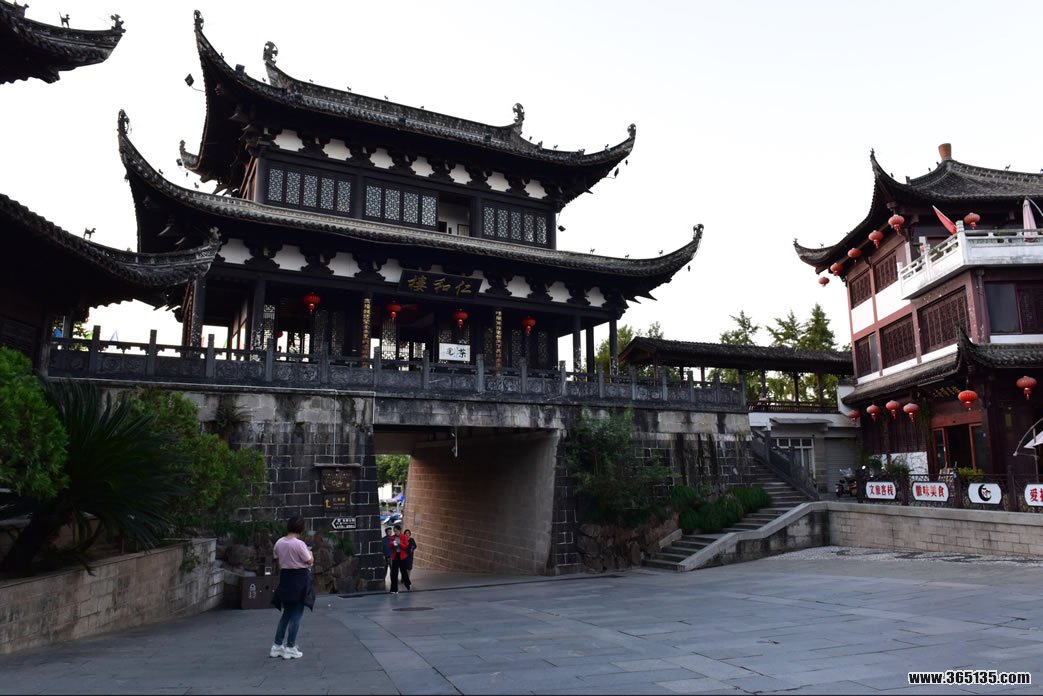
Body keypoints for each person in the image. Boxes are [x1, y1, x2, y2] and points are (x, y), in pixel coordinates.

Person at [270, 516, 314, 660]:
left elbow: (277, 559)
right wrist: (311, 555)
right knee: (296, 614)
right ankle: (290, 647)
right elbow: (308, 561)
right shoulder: (299, 544)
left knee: (286, 614)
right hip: (299, 579)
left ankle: (277, 646)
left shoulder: (279, 542)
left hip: (285, 577)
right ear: (301, 528)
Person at [389, 524, 412, 594]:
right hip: (395, 556)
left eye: (396, 531)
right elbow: (390, 546)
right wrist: (392, 544)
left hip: (402, 556)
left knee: (403, 571)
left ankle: (407, 584)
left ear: (400, 530)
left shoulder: (403, 537)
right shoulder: (392, 537)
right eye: (394, 531)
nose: (395, 532)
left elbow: (405, 547)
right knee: (394, 573)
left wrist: (399, 543)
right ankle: (394, 589)